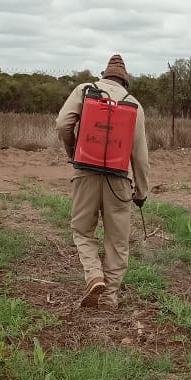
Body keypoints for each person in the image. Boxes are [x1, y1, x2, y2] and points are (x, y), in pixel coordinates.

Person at [56, 53, 150, 309]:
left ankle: (94, 275)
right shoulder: (135, 105)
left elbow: (63, 124)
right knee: (117, 241)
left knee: (83, 230)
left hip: (85, 172)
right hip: (119, 180)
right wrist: (141, 191)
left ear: (104, 75)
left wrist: (73, 152)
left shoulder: (84, 90)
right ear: (125, 81)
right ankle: (109, 298)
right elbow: (140, 156)